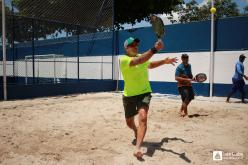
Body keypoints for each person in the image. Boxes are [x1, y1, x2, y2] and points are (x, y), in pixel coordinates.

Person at [120, 37, 177, 159]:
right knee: (129, 122)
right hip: (128, 95)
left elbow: (149, 64)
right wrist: (155, 48)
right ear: (126, 48)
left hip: (144, 92)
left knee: (143, 117)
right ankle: (135, 130)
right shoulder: (123, 59)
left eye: (136, 45)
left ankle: (138, 148)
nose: (135, 47)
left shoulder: (142, 56)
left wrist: (164, 61)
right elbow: (140, 60)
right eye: (132, 45)